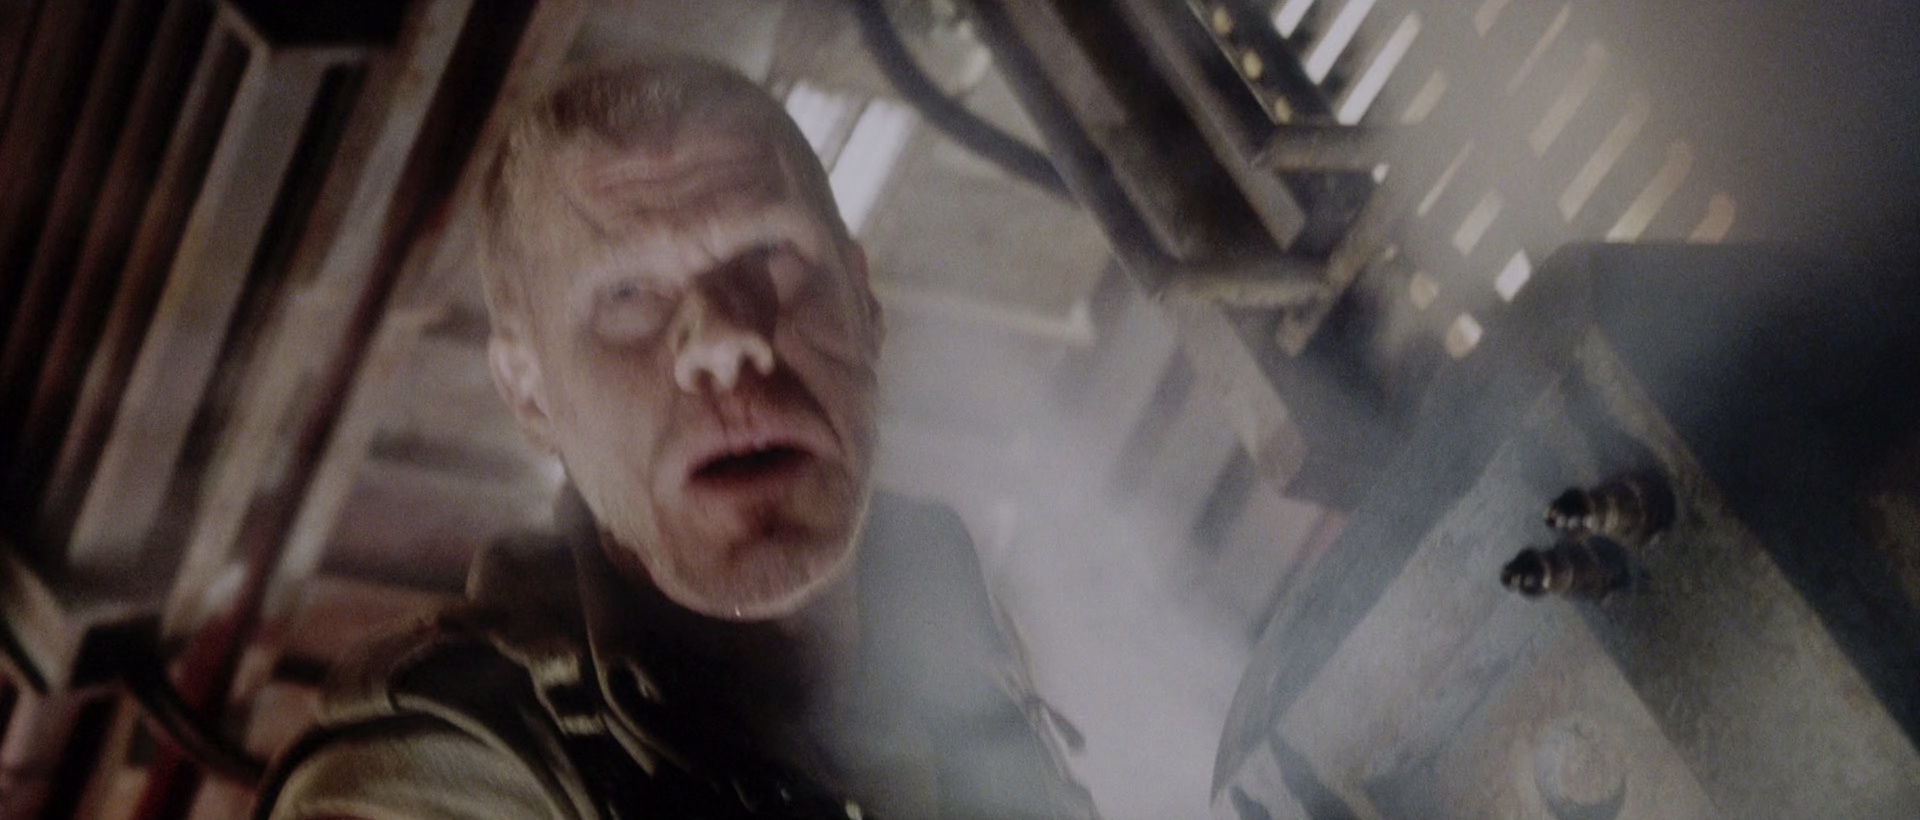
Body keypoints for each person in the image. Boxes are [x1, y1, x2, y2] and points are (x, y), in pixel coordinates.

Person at [254, 56, 1095, 819]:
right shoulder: (435, 773)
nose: (724, 340)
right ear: (531, 395)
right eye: (626, 295)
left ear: (862, 300)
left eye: (769, 252)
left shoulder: (950, 612)